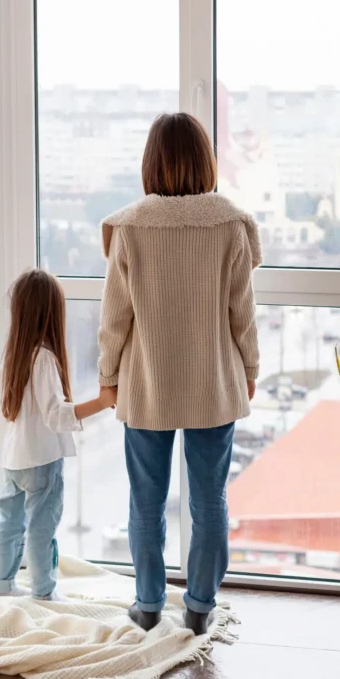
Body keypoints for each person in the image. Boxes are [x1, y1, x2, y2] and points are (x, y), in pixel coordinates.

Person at [98, 113, 261, 635]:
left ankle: (147, 604)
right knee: (209, 498)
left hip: (148, 385)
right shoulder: (230, 223)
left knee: (146, 499)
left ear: (151, 163)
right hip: (213, 384)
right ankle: (199, 605)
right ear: (205, 161)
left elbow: (114, 319)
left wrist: (107, 375)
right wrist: (251, 369)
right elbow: (244, 313)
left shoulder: (130, 227)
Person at [0, 269, 117, 600]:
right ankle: (44, 591)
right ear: (52, 312)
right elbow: (57, 415)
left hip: (13, 458)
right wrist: (103, 402)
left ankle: (2, 585)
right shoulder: (44, 358)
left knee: (10, 523)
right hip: (41, 459)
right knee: (40, 528)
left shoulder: (14, 355)